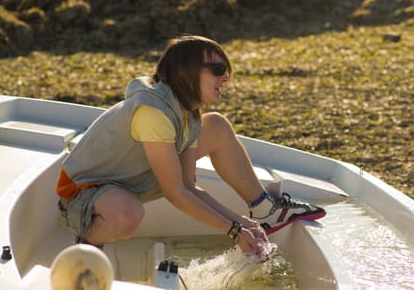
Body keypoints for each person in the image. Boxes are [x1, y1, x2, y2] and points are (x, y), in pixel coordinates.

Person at [56, 35, 325, 259]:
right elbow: (176, 193)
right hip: (83, 191)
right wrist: (233, 231)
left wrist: (246, 224)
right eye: (218, 70)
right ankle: (89, 240)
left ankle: (265, 211)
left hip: (128, 179)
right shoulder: (154, 113)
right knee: (128, 215)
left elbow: (188, 185)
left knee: (216, 125)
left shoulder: (188, 113)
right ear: (188, 73)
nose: (226, 78)